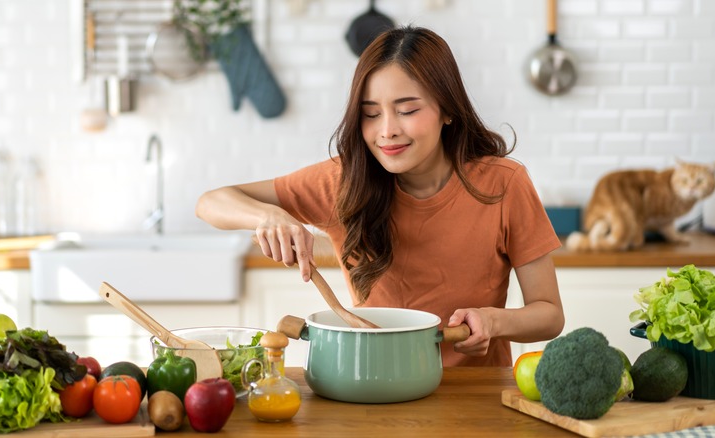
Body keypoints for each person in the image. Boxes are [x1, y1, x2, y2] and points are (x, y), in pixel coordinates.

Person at [196, 25, 564, 367]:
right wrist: (268, 216)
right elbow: (211, 202)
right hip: (371, 385)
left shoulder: (503, 184)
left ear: (448, 109)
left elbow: (549, 315)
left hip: (475, 395)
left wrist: (493, 321)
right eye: (371, 114)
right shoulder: (344, 181)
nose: (387, 131)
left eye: (407, 110)